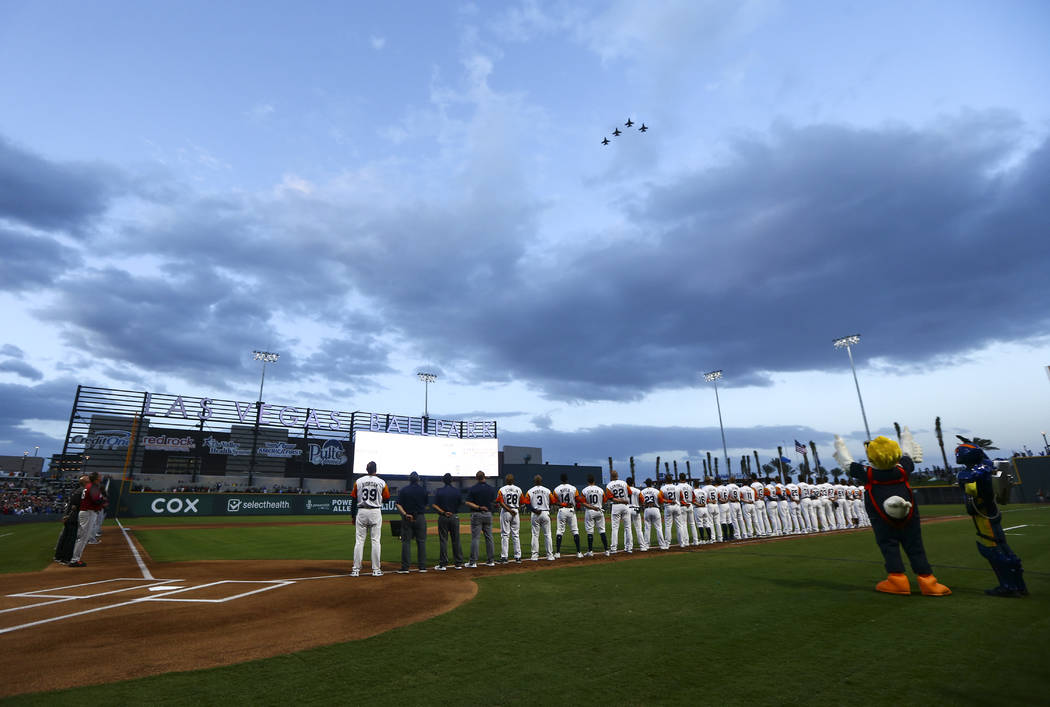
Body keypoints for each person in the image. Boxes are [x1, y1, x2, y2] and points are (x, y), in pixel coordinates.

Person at [848, 436, 951, 596]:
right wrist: (906, 437)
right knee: (916, 547)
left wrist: (840, 445)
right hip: (909, 516)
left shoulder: (868, 473)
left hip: (881, 519)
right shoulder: (902, 469)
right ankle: (927, 580)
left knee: (889, 546)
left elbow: (847, 463)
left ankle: (897, 580)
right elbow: (908, 454)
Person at [955, 436, 1028, 597]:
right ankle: (1018, 585)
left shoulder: (972, 472)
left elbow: (967, 477)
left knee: (994, 549)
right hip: (990, 511)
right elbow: (988, 465)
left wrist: (982, 464)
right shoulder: (985, 467)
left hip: (984, 513)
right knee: (1002, 546)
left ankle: (1009, 586)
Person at [350, 461, 390, 577]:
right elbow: (387, 498)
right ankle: (376, 570)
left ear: (366, 469)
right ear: (376, 469)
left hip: (361, 511)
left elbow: (353, 500)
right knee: (375, 540)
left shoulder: (359, 481)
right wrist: (378, 499)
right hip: (375, 511)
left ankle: (355, 569)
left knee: (359, 541)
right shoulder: (381, 482)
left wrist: (353, 516)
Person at [69, 473, 104, 567]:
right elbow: (96, 500)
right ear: (96, 478)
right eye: (100, 476)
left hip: (86, 512)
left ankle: (75, 559)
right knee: (83, 538)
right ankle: (74, 560)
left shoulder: (90, 486)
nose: (101, 477)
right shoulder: (93, 487)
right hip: (88, 513)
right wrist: (103, 500)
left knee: (82, 537)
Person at [395, 471, 428, 573]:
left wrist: (405, 514)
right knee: (421, 542)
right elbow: (426, 505)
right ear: (418, 479)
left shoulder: (404, 490)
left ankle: (405, 567)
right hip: (420, 517)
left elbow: (398, 504)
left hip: (407, 518)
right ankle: (422, 567)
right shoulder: (423, 490)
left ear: (409, 479)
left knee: (406, 542)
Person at [432, 473, 464, 570]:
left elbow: (434, 505)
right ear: (452, 480)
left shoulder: (439, 491)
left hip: (443, 517)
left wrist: (444, 512)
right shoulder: (456, 491)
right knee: (456, 540)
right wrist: (453, 511)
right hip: (454, 516)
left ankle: (443, 564)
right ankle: (458, 563)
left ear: (443, 480)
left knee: (443, 540)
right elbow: (461, 503)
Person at [464, 470, 497, 567]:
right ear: (484, 477)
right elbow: (493, 502)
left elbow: (468, 502)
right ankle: (491, 561)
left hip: (477, 514)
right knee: (489, 537)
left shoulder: (473, 489)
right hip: (488, 514)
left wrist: (478, 507)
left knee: (475, 538)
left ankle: (473, 562)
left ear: (476, 478)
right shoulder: (490, 489)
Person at [524, 475, 556, 560]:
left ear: (534, 481)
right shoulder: (547, 490)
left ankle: (534, 556)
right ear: (541, 481)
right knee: (547, 535)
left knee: (535, 535)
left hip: (535, 514)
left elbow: (526, 504)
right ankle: (550, 555)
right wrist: (547, 507)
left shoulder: (530, 491)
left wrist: (534, 510)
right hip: (545, 512)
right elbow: (553, 501)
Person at [552, 473, 583, 558]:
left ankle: (558, 553)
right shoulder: (573, 488)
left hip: (562, 510)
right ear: (567, 479)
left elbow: (554, 502)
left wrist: (563, 504)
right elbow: (577, 499)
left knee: (560, 531)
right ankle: (579, 552)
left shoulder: (557, 489)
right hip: (571, 510)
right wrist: (579, 506)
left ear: (561, 479)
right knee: (575, 531)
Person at [579, 475, 610, 556]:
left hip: (590, 511)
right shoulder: (600, 489)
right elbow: (605, 500)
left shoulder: (584, 490)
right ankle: (607, 550)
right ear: (594, 481)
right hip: (599, 510)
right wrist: (599, 505)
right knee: (602, 530)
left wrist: (592, 507)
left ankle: (590, 551)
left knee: (590, 531)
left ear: (588, 481)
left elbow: (583, 502)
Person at [496, 474, 524, 563]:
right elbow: (522, 502)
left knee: (505, 535)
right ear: (513, 480)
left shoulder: (502, 489)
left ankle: (504, 557)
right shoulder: (518, 489)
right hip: (515, 512)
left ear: (506, 480)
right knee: (516, 535)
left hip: (506, 512)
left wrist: (509, 509)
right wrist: (516, 509)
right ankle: (518, 557)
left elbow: (500, 502)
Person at [606, 470, 633, 553]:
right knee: (628, 527)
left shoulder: (609, 485)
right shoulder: (624, 483)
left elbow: (610, 498)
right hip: (625, 506)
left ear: (611, 476)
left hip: (616, 506)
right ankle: (629, 548)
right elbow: (630, 493)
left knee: (615, 528)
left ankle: (614, 549)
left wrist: (619, 500)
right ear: (617, 476)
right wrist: (624, 500)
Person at [639, 479, 667, 550]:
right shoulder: (656, 491)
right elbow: (661, 501)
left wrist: (644, 505)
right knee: (658, 528)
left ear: (646, 484)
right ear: (652, 484)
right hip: (655, 509)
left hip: (647, 509)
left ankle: (646, 545)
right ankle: (662, 545)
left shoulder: (642, 492)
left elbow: (640, 501)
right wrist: (658, 505)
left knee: (647, 528)